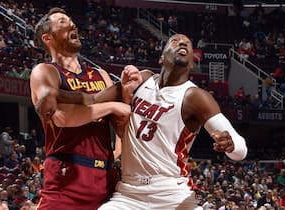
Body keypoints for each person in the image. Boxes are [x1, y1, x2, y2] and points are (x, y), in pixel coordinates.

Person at [98, 33, 248, 210]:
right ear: (162, 57)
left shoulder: (196, 97)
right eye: (175, 41)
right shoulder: (144, 79)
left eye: (188, 43)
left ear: (192, 62)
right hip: (129, 193)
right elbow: (94, 101)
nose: (183, 42)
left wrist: (231, 146)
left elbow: (241, 149)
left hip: (171, 193)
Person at [30, 7, 130, 209]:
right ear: (48, 38)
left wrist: (127, 95)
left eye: (71, 21)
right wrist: (112, 105)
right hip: (66, 177)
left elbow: (121, 124)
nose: (72, 24)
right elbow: (63, 118)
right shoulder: (45, 72)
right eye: (62, 23)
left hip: (105, 178)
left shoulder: (100, 74)